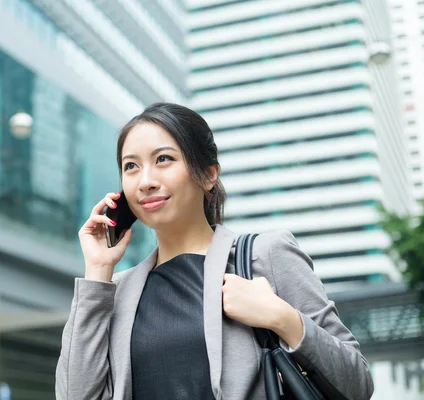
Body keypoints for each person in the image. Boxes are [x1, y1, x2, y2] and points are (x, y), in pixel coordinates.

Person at [55, 102, 374, 400]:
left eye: (163, 159)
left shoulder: (265, 255)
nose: (146, 181)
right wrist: (97, 271)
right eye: (131, 166)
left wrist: (281, 317)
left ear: (208, 174)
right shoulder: (116, 291)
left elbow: (357, 384)